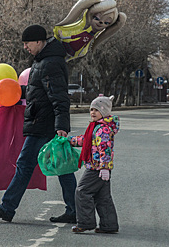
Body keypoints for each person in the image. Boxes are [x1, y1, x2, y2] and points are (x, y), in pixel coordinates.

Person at [0, 24, 77, 223]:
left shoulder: (49, 63)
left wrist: (62, 126)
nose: (25, 47)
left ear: (39, 41)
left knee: (28, 164)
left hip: (43, 124)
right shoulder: (43, 61)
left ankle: (8, 207)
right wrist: (16, 94)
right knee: (61, 166)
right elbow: (38, 92)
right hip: (42, 121)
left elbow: (59, 97)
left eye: (27, 43)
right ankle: (75, 210)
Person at [69, 95, 120, 233]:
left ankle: (85, 223)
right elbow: (85, 140)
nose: (92, 112)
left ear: (103, 112)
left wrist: (104, 167)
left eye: (96, 110)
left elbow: (105, 149)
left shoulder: (102, 129)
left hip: (97, 168)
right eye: (91, 109)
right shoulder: (96, 127)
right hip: (99, 167)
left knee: (82, 191)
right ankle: (109, 225)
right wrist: (70, 141)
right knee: (102, 197)